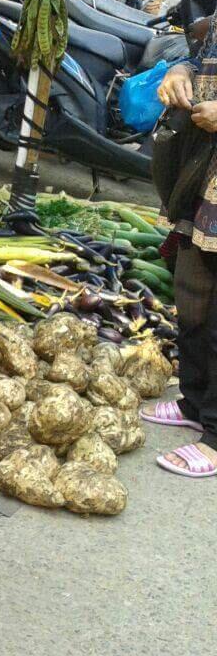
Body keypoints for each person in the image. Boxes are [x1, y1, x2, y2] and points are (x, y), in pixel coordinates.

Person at [148, 43, 217, 476]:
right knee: (194, 297)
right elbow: (200, 54)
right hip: (203, 168)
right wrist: (180, 72)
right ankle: (195, 400)